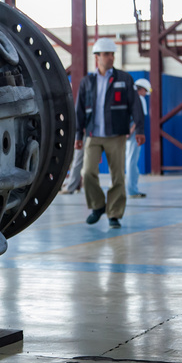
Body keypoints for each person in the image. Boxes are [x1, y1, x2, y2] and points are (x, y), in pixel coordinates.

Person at [74, 38, 145, 229]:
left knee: (118, 177)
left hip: (117, 136)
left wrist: (139, 129)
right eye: (106, 54)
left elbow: (135, 105)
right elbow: (79, 110)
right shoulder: (87, 82)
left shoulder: (124, 79)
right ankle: (98, 206)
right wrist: (78, 136)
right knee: (87, 172)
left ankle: (114, 214)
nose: (111, 57)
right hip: (93, 135)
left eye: (112, 54)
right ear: (97, 57)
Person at [126, 78, 151, 198]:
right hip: (134, 133)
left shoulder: (127, 98)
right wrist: (131, 132)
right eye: (145, 91)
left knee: (126, 161)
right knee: (132, 161)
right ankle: (132, 190)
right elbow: (138, 119)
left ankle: (129, 189)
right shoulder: (140, 99)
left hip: (125, 133)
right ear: (141, 89)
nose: (145, 94)